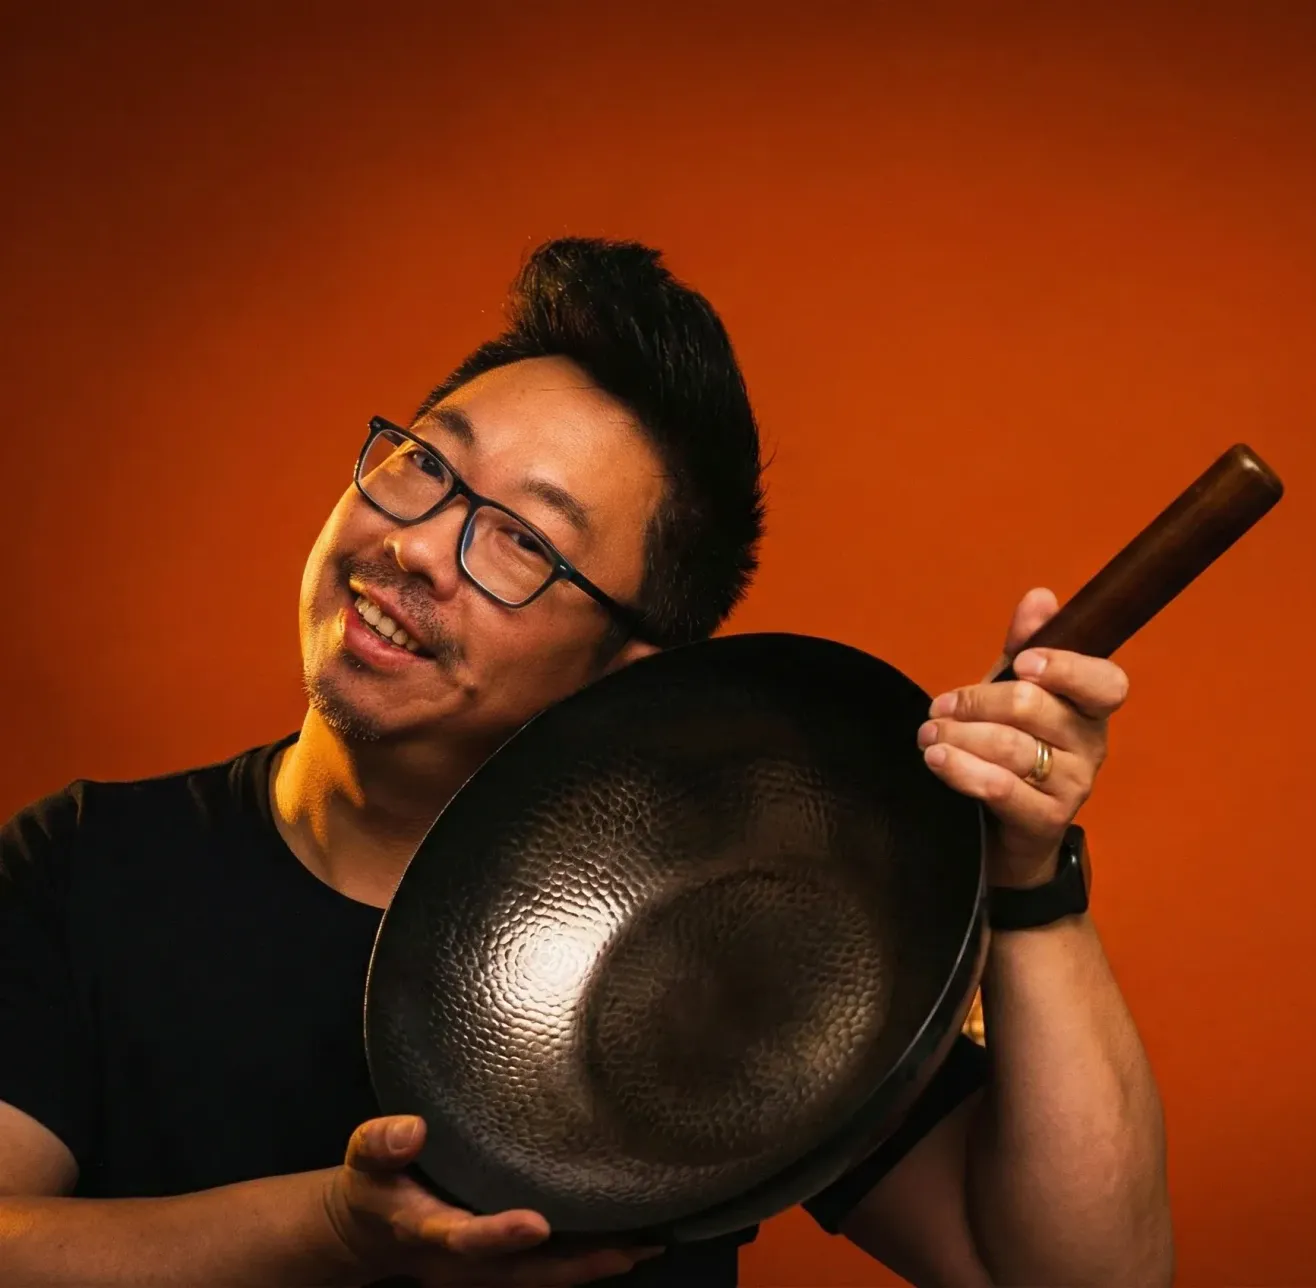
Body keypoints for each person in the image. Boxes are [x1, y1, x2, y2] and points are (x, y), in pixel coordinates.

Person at [0, 238, 1172, 1287]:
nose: (411, 546)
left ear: (627, 675)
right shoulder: (84, 865)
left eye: (520, 540)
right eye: (423, 465)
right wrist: (331, 1233)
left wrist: (1032, 884)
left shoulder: (729, 922)